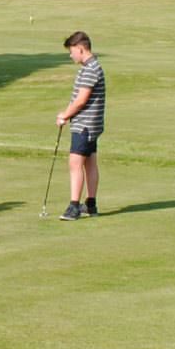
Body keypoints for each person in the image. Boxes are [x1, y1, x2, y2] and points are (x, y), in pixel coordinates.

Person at [56, 30, 105, 220]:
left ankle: (74, 207)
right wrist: (67, 113)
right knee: (90, 162)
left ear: (80, 48)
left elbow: (80, 101)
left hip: (84, 125)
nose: (70, 55)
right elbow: (77, 98)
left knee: (75, 163)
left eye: (71, 51)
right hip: (91, 125)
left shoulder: (90, 69)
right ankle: (90, 204)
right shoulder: (92, 67)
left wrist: (64, 116)